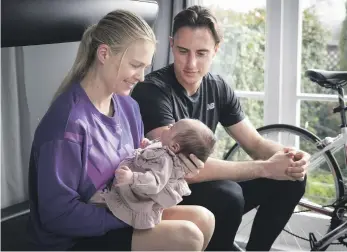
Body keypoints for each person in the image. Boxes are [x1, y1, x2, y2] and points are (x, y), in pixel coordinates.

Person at [27, 9, 215, 251]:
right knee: (186, 235)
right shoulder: (68, 125)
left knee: (203, 219)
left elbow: (139, 167)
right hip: (74, 239)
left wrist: (176, 168)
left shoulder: (128, 107)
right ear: (104, 53)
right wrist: (127, 216)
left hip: (120, 208)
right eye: (136, 65)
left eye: (145, 67)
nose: (142, 77)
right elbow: (58, 216)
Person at [131, 5, 310, 251]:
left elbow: (256, 144)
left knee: (292, 179)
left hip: (203, 188)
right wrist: (266, 168)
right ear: (171, 44)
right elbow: (177, 168)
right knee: (228, 194)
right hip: (164, 194)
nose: (191, 64)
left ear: (216, 50)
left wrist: (291, 158)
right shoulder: (152, 90)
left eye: (201, 53)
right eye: (183, 51)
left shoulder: (218, 88)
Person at [89, 118, 216, 230]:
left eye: (174, 127)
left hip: (132, 194)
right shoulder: (165, 148)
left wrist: (132, 178)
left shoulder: (165, 161)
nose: (170, 125)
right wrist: (147, 145)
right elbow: (154, 153)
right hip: (129, 185)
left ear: (175, 147)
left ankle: (103, 203)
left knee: (113, 198)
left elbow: (155, 182)